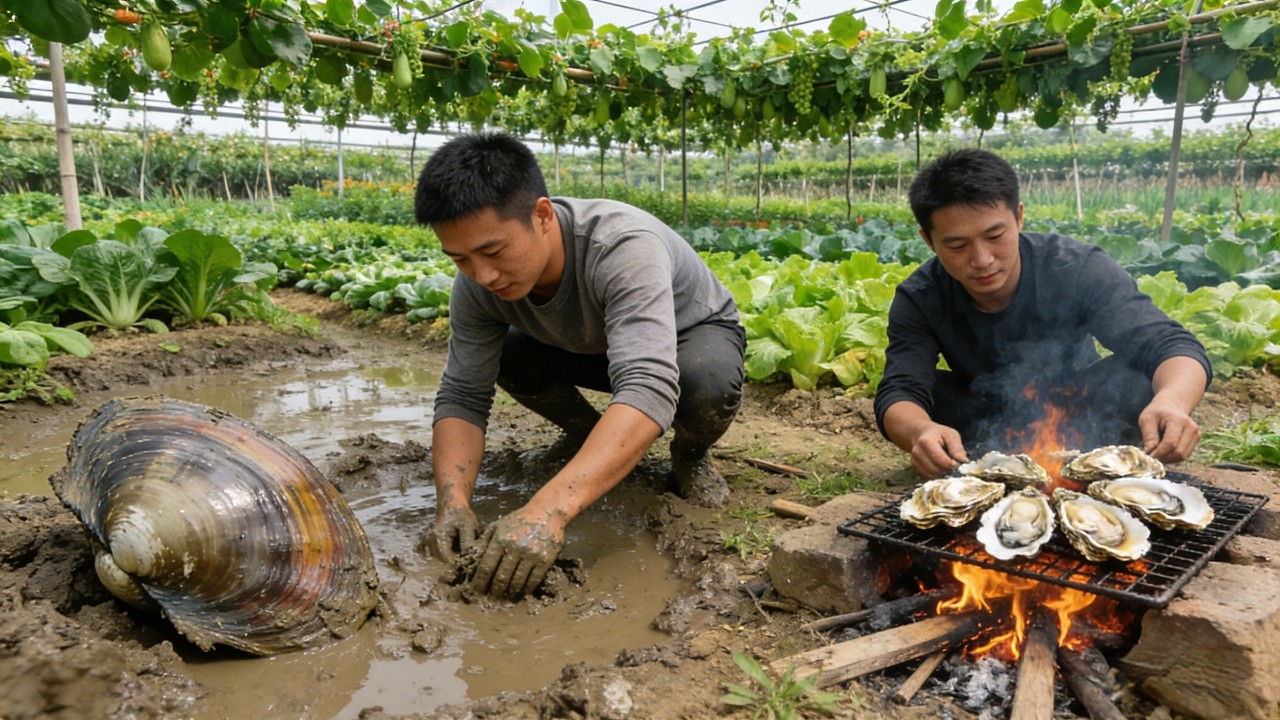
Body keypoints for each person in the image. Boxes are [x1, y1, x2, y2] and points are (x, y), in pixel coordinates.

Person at [413, 131, 746, 599]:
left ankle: (689, 456)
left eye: (493, 252)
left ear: (543, 215)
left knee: (703, 383)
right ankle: (595, 443)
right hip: (587, 347)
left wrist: (547, 510)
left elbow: (648, 383)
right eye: (461, 259)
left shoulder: (622, 246)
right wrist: (452, 503)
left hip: (686, 338)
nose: (482, 275)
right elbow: (463, 394)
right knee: (507, 356)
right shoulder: (476, 286)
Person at [874, 148, 1211, 480]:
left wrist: (1173, 402)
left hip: (1082, 411)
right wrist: (921, 431)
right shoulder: (920, 297)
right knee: (928, 395)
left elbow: (1170, 344)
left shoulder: (1077, 268)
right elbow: (900, 390)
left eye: (995, 236)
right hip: (981, 421)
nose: (982, 259)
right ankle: (977, 460)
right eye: (957, 246)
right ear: (929, 241)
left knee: (1142, 376)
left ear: (1018, 216)